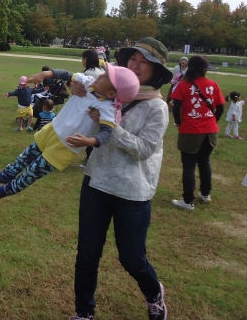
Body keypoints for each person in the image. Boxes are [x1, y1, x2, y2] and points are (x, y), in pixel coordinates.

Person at [65, 37, 172, 320]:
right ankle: (84, 313)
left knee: (132, 258)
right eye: (133, 60)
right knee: (87, 253)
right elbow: (83, 93)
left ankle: (154, 294)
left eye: (144, 63)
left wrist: (110, 126)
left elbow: (145, 150)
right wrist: (75, 89)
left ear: (155, 71)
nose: (135, 66)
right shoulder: (110, 89)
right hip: (97, 181)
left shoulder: (157, 108)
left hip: (132, 191)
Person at [0, 65, 140, 200]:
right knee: (27, 154)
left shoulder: (108, 109)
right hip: (53, 129)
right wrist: (45, 75)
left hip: (66, 145)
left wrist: (89, 142)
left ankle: (9, 189)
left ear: (112, 93)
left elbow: (106, 132)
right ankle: (8, 173)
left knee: (35, 170)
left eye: (106, 77)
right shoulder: (88, 83)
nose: (100, 75)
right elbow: (66, 74)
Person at [171, 55, 225, 211]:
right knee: (204, 161)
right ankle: (205, 194)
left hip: (191, 129)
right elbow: (220, 107)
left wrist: (178, 123)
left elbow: (176, 107)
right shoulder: (213, 85)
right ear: (203, 71)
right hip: (210, 130)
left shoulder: (183, 85)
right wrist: (213, 121)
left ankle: (188, 201)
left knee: (188, 165)